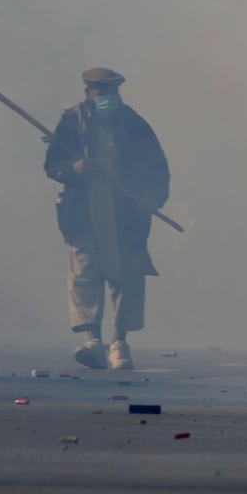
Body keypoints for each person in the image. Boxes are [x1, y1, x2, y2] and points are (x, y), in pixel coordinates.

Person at [43, 67, 170, 370]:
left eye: (112, 93)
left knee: (126, 274)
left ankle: (119, 341)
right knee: (85, 274)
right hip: (83, 213)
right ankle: (92, 340)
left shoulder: (134, 124)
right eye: (102, 93)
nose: (107, 99)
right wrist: (73, 169)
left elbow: (157, 168)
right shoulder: (71, 122)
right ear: (89, 93)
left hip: (125, 215)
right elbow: (52, 164)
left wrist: (151, 198)